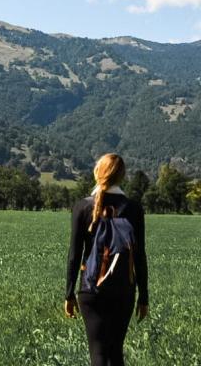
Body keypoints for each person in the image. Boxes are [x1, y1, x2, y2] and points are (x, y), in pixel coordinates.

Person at [64, 153, 149, 366]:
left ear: (97, 173)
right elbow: (139, 255)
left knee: (98, 353)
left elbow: (74, 254)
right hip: (124, 289)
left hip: (91, 289)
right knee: (116, 353)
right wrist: (144, 296)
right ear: (122, 176)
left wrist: (69, 293)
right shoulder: (134, 209)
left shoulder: (82, 206)